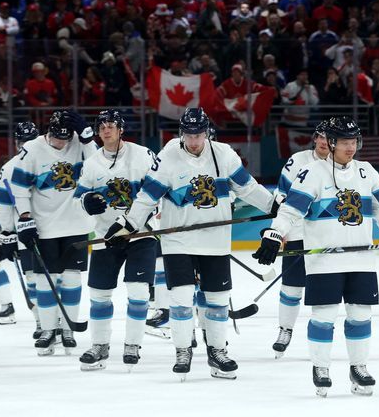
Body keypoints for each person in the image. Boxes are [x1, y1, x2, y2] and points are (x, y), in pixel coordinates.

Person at [253, 116, 379, 397]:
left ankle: (359, 366)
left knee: (360, 315)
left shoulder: (367, 173)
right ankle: (321, 367)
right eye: (344, 142)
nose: (350, 147)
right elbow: (291, 211)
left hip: (360, 262)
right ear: (330, 143)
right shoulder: (312, 173)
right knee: (324, 317)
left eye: (354, 141)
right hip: (324, 263)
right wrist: (274, 234)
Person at [108, 108, 275, 380]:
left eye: (199, 134)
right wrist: (128, 224)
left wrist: (273, 204)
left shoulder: (224, 154)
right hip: (179, 242)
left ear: (206, 132)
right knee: (182, 299)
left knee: (218, 301)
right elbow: (147, 197)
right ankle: (183, 350)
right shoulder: (168, 157)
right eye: (189, 134)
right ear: (181, 133)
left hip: (215, 242)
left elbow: (248, 188)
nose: (194, 140)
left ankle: (218, 351)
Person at [73, 110, 159, 371]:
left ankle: (132, 344)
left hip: (140, 234)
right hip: (105, 236)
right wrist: (86, 203)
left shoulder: (143, 155)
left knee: (138, 291)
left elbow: (157, 193)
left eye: (111, 126)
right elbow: (78, 200)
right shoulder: (91, 164)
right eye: (101, 127)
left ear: (121, 129)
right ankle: (100, 345)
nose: (106, 131)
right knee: (99, 295)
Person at [9, 110, 98, 355]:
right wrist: (25, 218)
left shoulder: (79, 143)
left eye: (66, 138)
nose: (62, 143)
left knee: (71, 278)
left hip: (77, 223)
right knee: (44, 280)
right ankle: (48, 329)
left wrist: (88, 137)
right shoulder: (32, 149)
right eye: (58, 138)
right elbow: (19, 187)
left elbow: (96, 167)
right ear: (48, 132)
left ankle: (68, 328)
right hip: (45, 226)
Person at [270, 119, 331, 358]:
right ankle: (285, 330)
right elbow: (280, 194)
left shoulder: (338, 164)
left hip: (324, 236)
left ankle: (322, 333)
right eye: (321, 137)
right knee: (292, 287)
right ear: (315, 138)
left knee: (325, 287)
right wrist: (281, 229)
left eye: (329, 138)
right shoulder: (298, 161)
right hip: (297, 233)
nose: (324, 142)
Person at [0, 122, 42, 337]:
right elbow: (4, 206)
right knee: (39, 277)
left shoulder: (10, 167)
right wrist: (7, 233)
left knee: (40, 277)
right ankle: (45, 321)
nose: (25, 146)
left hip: (33, 231)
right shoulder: (12, 168)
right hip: (37, 231)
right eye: (23, 142)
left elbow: (4, 207)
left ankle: (46, 322)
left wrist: (7, 232)